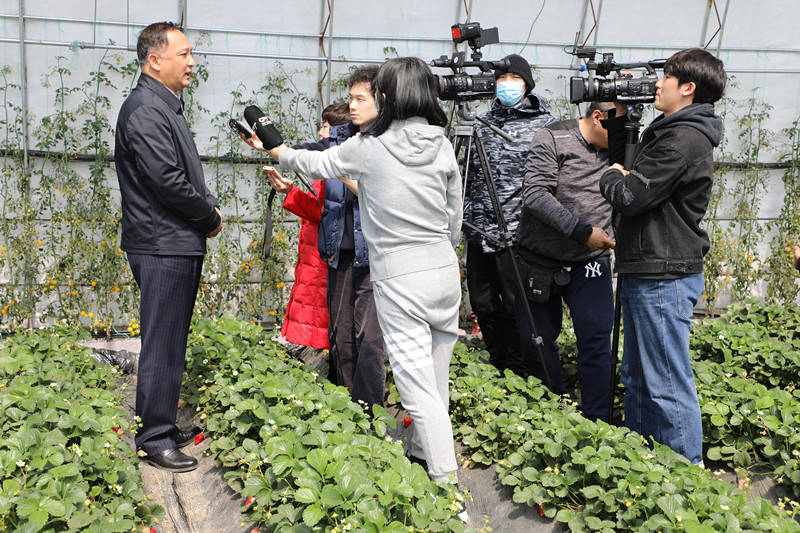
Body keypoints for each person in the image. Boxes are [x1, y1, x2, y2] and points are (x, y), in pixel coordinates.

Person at [249, 57, 465, 497]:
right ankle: (423, 458)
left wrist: (275, 150)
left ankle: (448, 493)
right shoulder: (442, 145)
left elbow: (313, 163)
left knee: (417, 391)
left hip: (401, 277)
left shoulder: (371, 146)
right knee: (436, 383)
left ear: (389, 97)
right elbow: (454, 218)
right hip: (444, 272)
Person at [599, 48, 725, 464]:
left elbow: (632, 196)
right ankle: (644, 462)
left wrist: (611, 179)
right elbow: (631, 169)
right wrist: (619, 123)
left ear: (687, 88)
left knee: (666, 382)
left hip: (663, 274)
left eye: (666, 77)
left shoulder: (684, 139)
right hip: (648, 268)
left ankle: (687, 479)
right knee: (638, 377)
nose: (656, 83)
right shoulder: (670, 130)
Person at [114, 21, 223, 472]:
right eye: (185, 54)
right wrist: (209, 216)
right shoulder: (144, 110)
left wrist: (204, 207)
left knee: (172, 336)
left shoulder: (162, 105)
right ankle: (154, 437)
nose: (192, 62)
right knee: (161, 340)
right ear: (155, 60)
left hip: (174, 241)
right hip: (162, 243)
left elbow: (181, 176)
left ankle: (159, 419)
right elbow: (168, 183)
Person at [515, 101, 621, 421]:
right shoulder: (552, 137)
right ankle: (550, 415)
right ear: (598, 118)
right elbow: (535, 195)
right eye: (621, 128)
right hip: (540, 260)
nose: (627, 137)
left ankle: (597, 422)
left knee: (597, 340)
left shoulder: (622, 149)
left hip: (590, 261)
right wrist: (581, 231)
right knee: (538, 342)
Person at [463, 54, 554, 376]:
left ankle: (520, 370)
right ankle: (498, 362)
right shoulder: (481, 123)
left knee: (516, 306)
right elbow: (466, 173)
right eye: (501, 80)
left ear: (527, 84)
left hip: (518, 231)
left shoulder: (544, 125)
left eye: (514, 79)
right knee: (483, 304)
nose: (507, 85)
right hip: (479, 230)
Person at [274, 102, 350, 353]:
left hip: (321, 256)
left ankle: (321, 378)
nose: (320, 133)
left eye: (326, 127)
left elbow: (323, 213)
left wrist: (291, 193)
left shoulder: (337, 168)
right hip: (314, 253)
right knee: (313, 314)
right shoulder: (332, 165)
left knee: (317, 320)